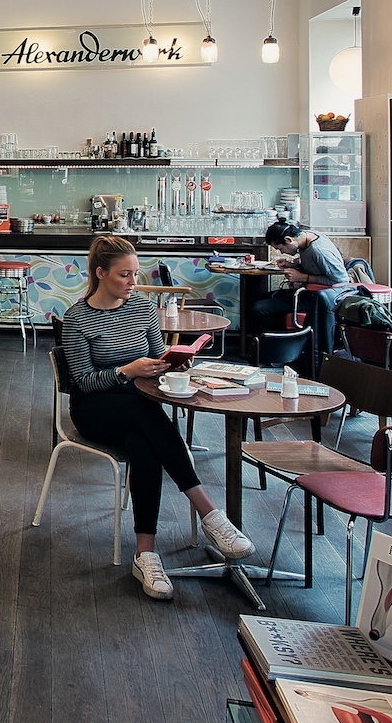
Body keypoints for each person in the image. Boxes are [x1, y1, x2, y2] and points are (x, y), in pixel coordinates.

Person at [60, 235, 254, 600]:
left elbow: (155, 358)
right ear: (100, 273)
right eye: (125, 275)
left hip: (138, 405)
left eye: (135, 274)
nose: (134, 282)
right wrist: (127, 371)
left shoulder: (144, 309)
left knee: (143, 447)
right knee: (145, 415)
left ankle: (145, 554)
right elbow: (82, 383)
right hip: (94, 408)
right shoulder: (77, 318)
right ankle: (210, 514)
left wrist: (172, 361)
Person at [252, 219, 354, 361]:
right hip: (308, 292)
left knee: (259, 308)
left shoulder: (319, 251)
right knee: (257, 299)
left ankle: (280, 352)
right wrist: (293, 264)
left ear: (288, 240)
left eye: (281, 249)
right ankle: (264, 350)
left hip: (319, 299)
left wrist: (303, 277)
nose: (282, 252)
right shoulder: (307, 236)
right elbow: (312, 264)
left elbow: (341, 280)